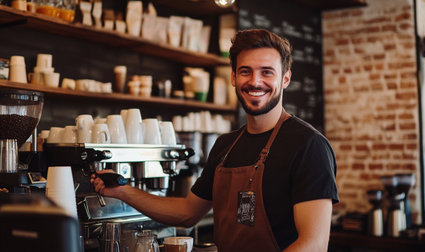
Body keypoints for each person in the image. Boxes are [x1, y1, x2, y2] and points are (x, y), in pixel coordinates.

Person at [92, 28, 339, 252]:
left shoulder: (308, 145)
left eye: (267, 72)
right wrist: (123, 191)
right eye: (246, 71)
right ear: (233, 77)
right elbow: (187, 213)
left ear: (285, 79)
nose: (255, 81)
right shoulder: (225, 146)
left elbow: (313, 244)